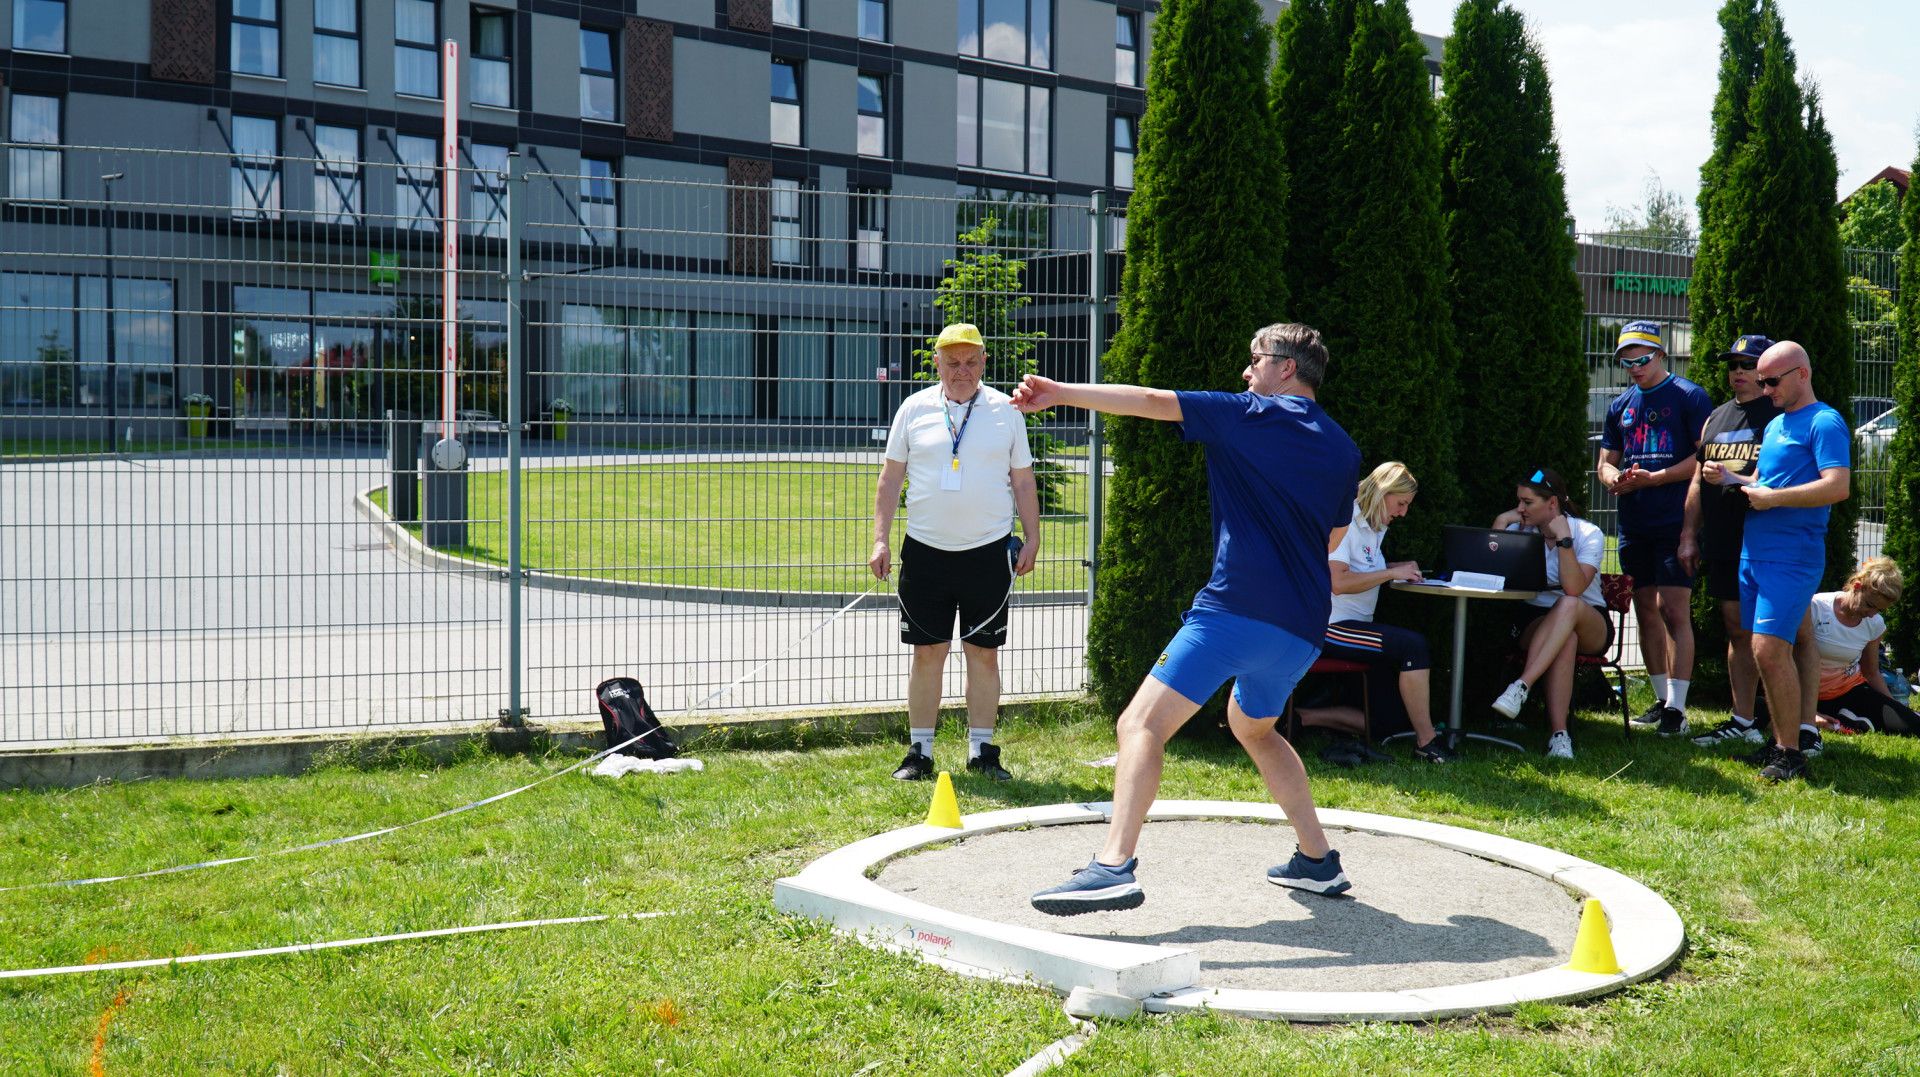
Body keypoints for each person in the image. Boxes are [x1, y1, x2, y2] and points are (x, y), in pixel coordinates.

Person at [1016, 323, 1361, 914]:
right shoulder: (1343, 447)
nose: (1246, 372)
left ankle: (1112, 867)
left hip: (1235, 611)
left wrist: (1060, 392)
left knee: (1140, 725)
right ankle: (1317, 861)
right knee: (1254, 727)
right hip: (1303, 629)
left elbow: (1153, 401)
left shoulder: (1250, 413)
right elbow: (1332, 537)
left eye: (1255, 359)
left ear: (1286, 368)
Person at [869, 323, 1041, 783]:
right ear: (937, 364)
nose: (961, 371)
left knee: (983, 654)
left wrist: (1033, 537)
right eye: (952, 363)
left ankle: (982, 751)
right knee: (928, 652)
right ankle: (919, 753)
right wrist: (881, 539)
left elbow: (1023, 480)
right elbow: (890, 479)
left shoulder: (1007, 412)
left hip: (988, 552)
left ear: (983, 362)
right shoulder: (913, 409)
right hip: (925, 553)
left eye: (970, 362)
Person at [1703, 340, 1851, 783]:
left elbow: (1837, 486)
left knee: (1770, 650)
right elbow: (1762, 480)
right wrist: (1730, 477)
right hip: (1754, 552)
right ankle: (1782, 742)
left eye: (1771, 381)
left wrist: (1774, 498)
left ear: (1801, 374)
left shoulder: (1825, 421)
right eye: (1761, 381)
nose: (1765, 390)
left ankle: (1792, 754)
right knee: (1761, 649)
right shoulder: (1776, 425)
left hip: (1791, 557)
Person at [1597, 321, 1713, 737]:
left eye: (1642, 359)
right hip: (1634, 523)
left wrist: (1657, 478)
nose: (1635, 367)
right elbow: (1605, 461)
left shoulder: (1690, 396)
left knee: (1673, 609)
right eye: (1626, 362)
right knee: (1645, 608)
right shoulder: (1620, 405)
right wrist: (1614, 479)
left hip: (1675, 521)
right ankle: (1662, 700)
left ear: (1661, 355)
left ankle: (1678, 709)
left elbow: (1704, 458)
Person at [1297, 461, 1456, 763]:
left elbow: (1362, 569)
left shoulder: (1374, 525)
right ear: (1383, 493)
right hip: (1330, 627)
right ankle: (1427, 742)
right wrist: (1390, 574)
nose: (1403, 513)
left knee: (1390, 723)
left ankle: (1302, 717)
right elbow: (1338, 582)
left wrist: (1397, 568)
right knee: (1413, 646)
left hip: (1354, 627)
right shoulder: (1346, 520)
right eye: (1401, 503)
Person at [1679, 334, 1781, 748]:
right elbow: (1697, 481)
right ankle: (1743, 719)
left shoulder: (1779, 416)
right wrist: (1688, 535)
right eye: (1733, 365)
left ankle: (1791, 725)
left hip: (1766, 540)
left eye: (1747, 364)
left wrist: (1733, 478)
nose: (1737, 372)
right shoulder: (1715, 418)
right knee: (1736, 628)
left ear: (1765, 370)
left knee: (1775, 635)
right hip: (1723, 541)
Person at [1486, 468, 1613, 760]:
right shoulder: (1520, 531)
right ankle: (1559, 735)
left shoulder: (1587, 533)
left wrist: (1564, 540)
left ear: (1552, 503)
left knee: (1568, 604)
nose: (1520, 508)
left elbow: (1574, 588)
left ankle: (1522, 685)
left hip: (1589, 620)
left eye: (1527, 502)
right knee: (1565, 638)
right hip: (1536, 620)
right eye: (1519, 501)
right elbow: (1490, 575)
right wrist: (1502, 522)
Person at [1804, 559, 1918, 737]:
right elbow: (1788, 661)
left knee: (1910, 724)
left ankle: (1851, 720)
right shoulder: (1816, 607)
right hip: (1805, 693)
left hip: (1848, 691)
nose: (1871, 614)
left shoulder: (1875, 623)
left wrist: (1895, 708)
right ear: (1857, 586)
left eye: (1879, 610)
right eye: (1870, 605)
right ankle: (1846, 719)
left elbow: (1871, 672)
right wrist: (1810, 714)